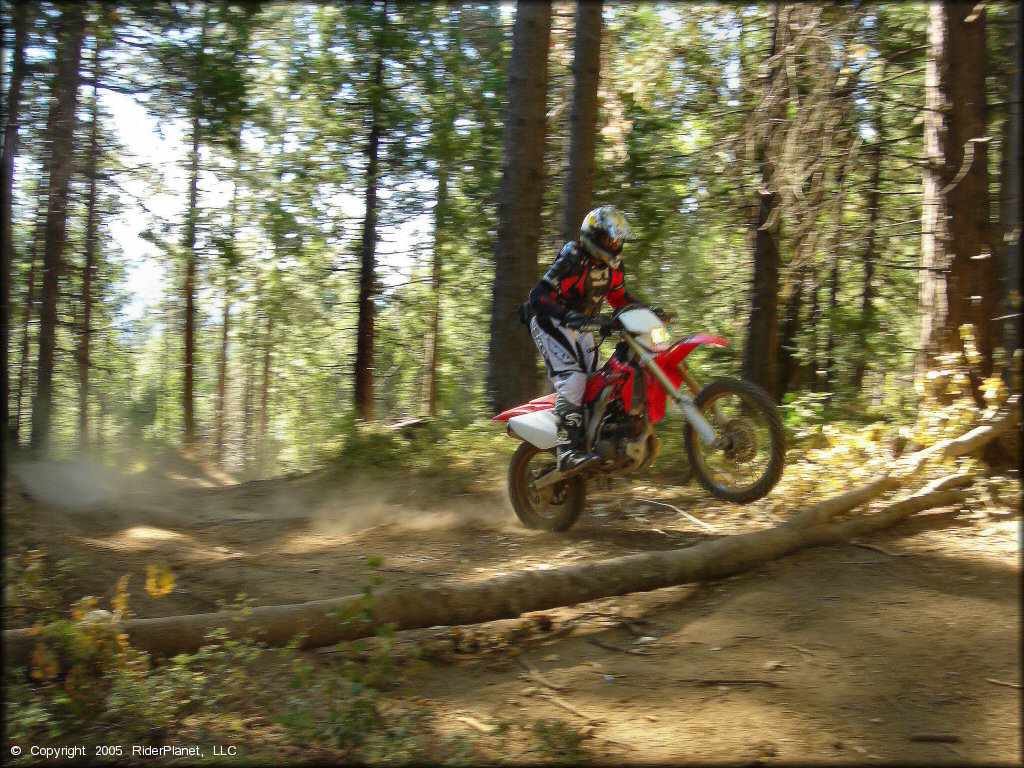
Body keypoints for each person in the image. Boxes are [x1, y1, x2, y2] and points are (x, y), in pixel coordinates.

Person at [527, 206, 648, 472]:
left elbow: (619, 298)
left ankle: (594, 440)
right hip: (551, 321)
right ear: (592, 236)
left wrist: (647, 311)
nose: (614, 245)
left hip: (582, 325)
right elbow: (538, 295)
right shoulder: (573, 257)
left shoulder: (612, 267)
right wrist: (565, 314)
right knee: (573, 380)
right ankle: (567, 450)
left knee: (598, 383)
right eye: (609, 239)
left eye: (618, 240)